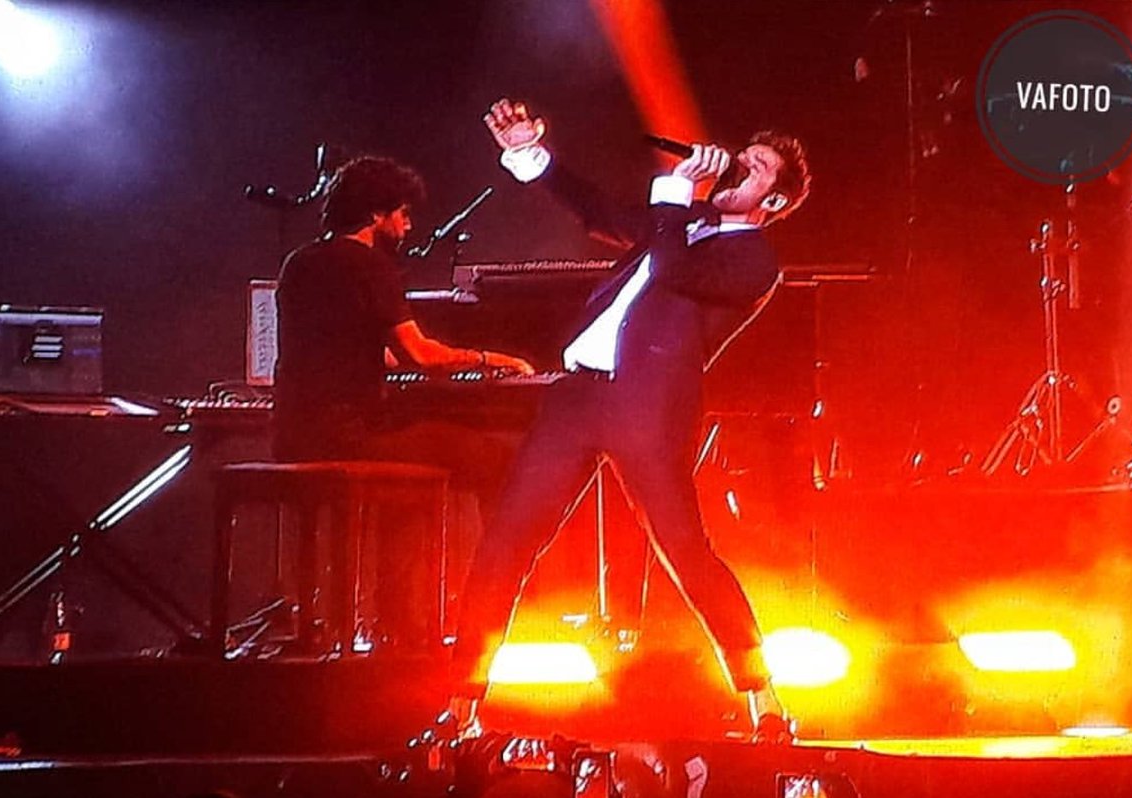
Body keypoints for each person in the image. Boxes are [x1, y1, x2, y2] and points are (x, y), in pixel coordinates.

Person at [446, 99, 811, 741]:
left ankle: (765, 700)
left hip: (648, 409)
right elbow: (598, 212)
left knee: (685, 552)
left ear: (773, 201)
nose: (737, 168)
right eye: (743, 156)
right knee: (508, 540)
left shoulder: (754, 261)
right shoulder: (680, 220)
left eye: (754, 169)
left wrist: (677, 192)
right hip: (578, 396)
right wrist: (530, 154)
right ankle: (460, 707)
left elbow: (673, 270)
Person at [274, 155, 534, 640]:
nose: (409, 226)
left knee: (411, 476)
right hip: (350, 437)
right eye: (403, 213)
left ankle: (401, 624)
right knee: (497, 461)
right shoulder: (370, 265)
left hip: (294, 435)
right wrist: (489, 359)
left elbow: (357, 350)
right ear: (377, 214)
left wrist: (439, 364)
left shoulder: (299, 263)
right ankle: (498, 606)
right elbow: (419, 353)